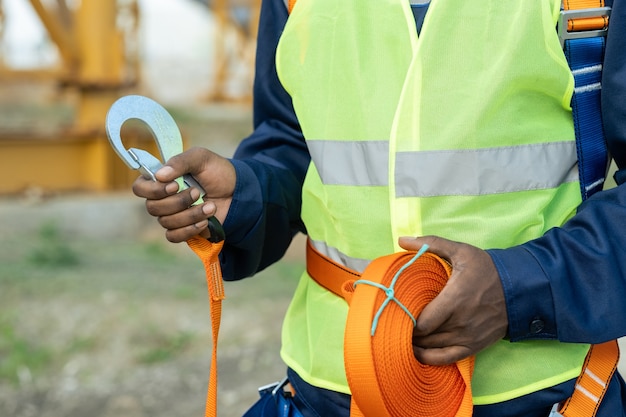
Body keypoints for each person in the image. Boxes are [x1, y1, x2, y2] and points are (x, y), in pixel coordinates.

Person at [132, 0, 626, 415]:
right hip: (325, 387)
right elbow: (294, 141)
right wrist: (247, 194)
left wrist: (519, 287)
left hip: (542, 397)